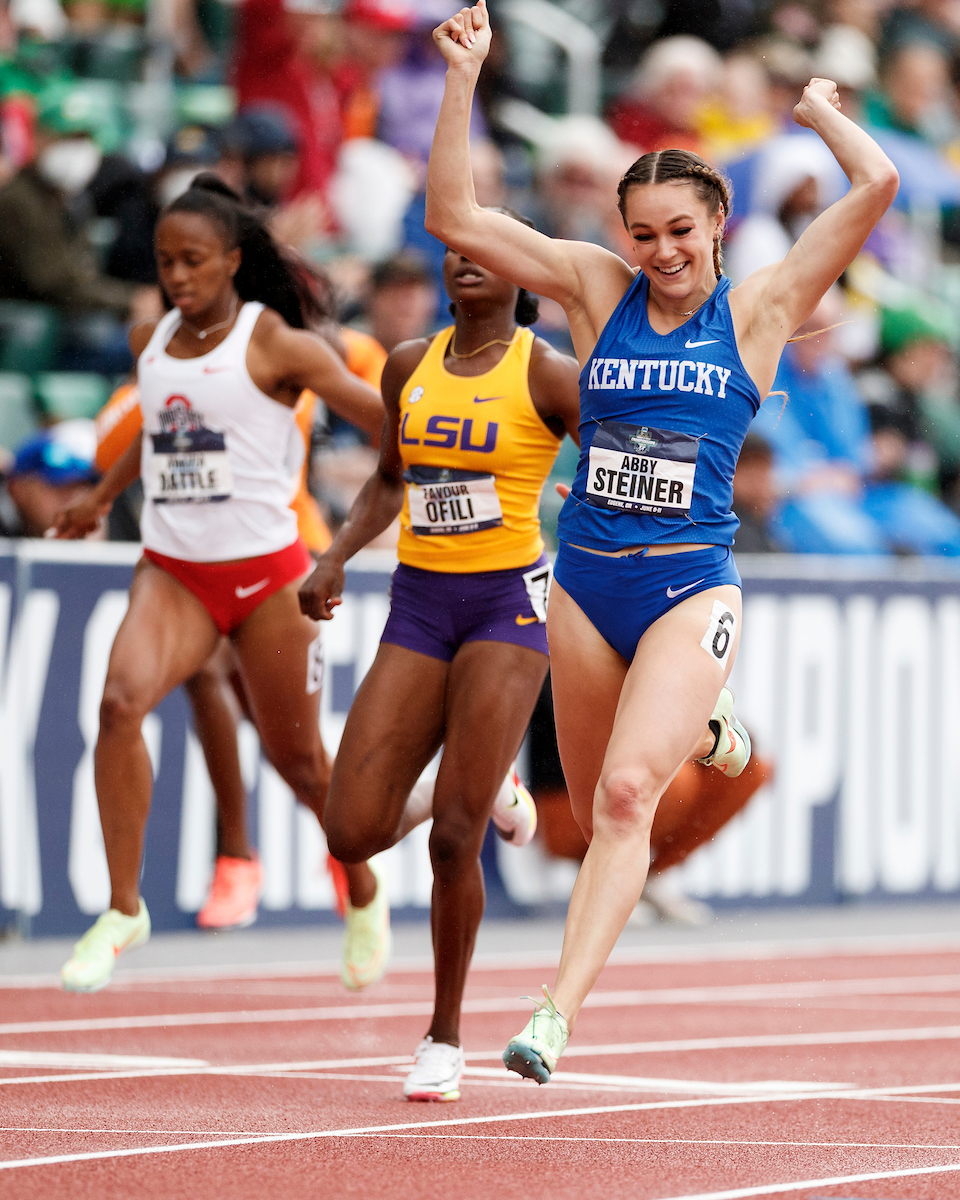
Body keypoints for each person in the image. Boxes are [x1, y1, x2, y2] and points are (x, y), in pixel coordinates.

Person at [427, 1, 898, 1084]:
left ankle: (552, 1014)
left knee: (629, 797)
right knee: (604, 801)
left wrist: (820, 115)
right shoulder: (598, 289)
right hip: (588, 582)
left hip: (690, 584)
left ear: (718, 222)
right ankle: (705, 724)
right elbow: (455, 214)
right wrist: (464, 77)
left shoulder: (762, 308)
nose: (662, 252)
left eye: (681, 231)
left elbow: (876, 185)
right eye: (643, 234)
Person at [52, 174, 389, 994]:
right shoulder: (151, 340)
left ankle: (363, 890)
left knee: (301, 763)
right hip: (174, 572)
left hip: (270, 576)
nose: (177, 276)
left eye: (194, 260)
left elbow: (388, 422)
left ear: (234, 260)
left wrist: (439, 469)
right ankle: (123, 909)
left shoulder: (276, 344)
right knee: (119, 704)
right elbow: (162, 428)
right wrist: (98, 498)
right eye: (166, 261)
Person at [298, 214, 581, 1102]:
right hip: (419, 603)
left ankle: (443, 1037)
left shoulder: (547, 371)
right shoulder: (407, 364)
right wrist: (335, 555)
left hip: (507, 607)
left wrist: (589, 514)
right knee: (350, 831)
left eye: (487, 251)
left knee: (456, 842)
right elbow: (391, 478)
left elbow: (619, 465)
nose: (465, 260)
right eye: (456, 248)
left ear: (522, 275)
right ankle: (479, 784)